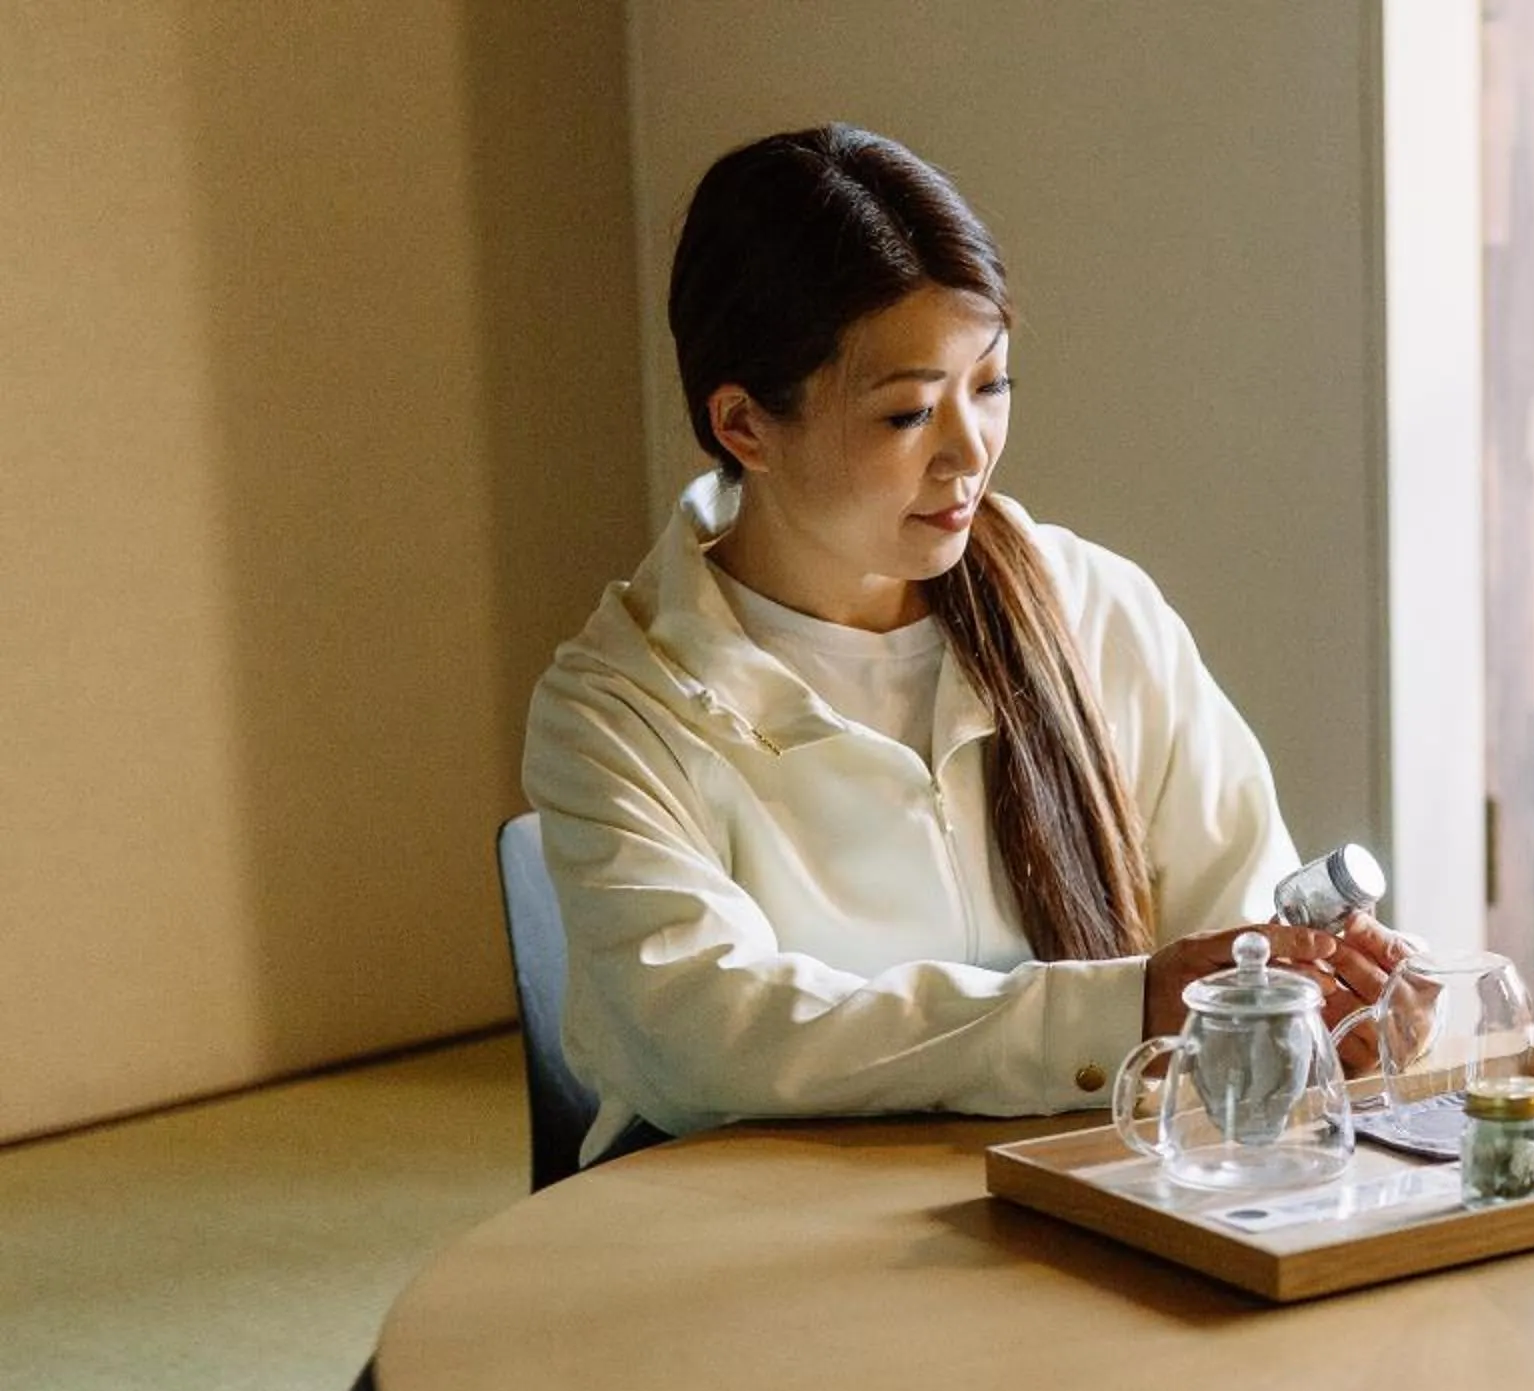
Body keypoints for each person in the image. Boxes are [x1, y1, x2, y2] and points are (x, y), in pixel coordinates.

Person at [523, 124, 1405, 1164]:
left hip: (1087, 1191)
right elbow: (707, 1033)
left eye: (989, 386)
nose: (968, 454)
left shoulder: (1092, 608)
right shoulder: (618, 704)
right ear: (744, 426)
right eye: (907, 413)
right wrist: (1116, 1011)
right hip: (748, 1228)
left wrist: (1331, 1010)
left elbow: (1240, 927)